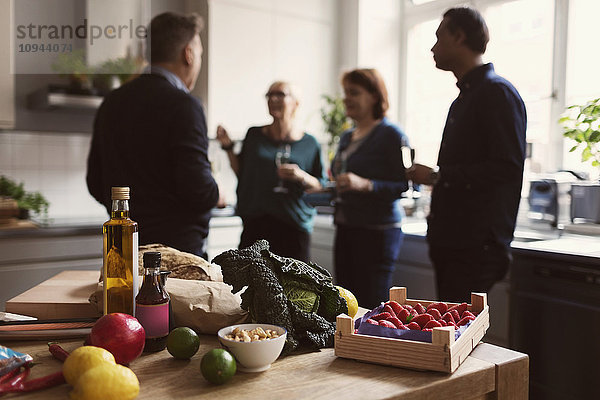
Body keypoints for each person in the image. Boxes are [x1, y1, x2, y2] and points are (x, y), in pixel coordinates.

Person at [407, 7, 527, 303]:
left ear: (459, 37)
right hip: (454, 242)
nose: (433, 47)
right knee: (453, 337)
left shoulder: (497, 93)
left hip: (474, 247)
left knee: (460, 340)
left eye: (438, 37)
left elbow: (506, 169)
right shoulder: (465, 99)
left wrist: (436, 175)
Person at [87, 12, 219, 259]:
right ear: (188, 54)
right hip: (176, 256)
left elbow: (95, 181)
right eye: (199, 53)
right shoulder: (185, 105)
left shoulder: (112, 102)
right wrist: (215, 192)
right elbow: (198, 190)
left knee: (123, 300)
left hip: (124, 250)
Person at [215, 81, 326, 262]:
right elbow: (242, 173)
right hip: (255, 225)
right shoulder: (254, 135)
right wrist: (227, 146)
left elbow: (320, 186)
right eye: (269, 95)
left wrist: (301, 176)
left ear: (296, 103)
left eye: (280, 94)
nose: (273, 99)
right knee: (249, 286)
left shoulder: (310, 144)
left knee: (293, 288)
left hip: (293, 226)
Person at [331, 68, 411, 309]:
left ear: (375, 96)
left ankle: (372, 348)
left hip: (378, 233)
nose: (347, 99)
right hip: (346, 226)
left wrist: (365, 184)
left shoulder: (391, 135)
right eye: (345, 93)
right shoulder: (346, 137)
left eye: (354, 92)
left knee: (372, 304)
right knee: (344, 303)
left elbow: (403, 185)